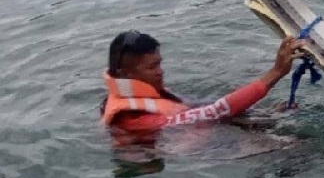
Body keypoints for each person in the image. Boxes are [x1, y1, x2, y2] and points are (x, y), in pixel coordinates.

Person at [101, 30, 307, 144]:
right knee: (296, 148)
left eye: (160, 63)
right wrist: (276, 72)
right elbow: (213, 112)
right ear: (125, 74)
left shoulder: (145, 98)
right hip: (201, 153)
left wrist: (262, 113)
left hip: (203, 132)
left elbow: (198, 111)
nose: (161, 71)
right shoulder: (131, 119)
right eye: (152, 67)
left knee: (274, 124)